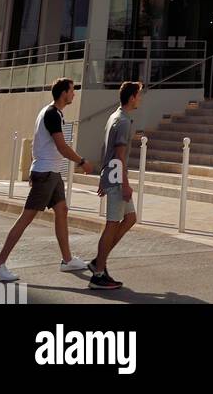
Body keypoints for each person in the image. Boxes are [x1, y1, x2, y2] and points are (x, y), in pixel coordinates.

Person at [0, 77, 94, 282]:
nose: (74, 94)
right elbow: (62, 147)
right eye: (72, 90)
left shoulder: (53, 112)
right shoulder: (52, 114)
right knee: (26, 218)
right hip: (45, 173)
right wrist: (82, 161)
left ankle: (67, 260)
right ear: (64, 93)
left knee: (62, 210)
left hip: (51, 172)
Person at [88, 80, 143, 291]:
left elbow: (106, 149)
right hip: (117, 178)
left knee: (130, 218)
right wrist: (125, 185)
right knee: (112, 223)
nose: (140, 98)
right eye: (139, 95)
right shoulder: (122, 122)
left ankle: (98, 261)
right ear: (131, 98)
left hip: (112, 176)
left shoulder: (115, 116)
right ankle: (98, 274)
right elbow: (119, 155)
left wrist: (104, 176)